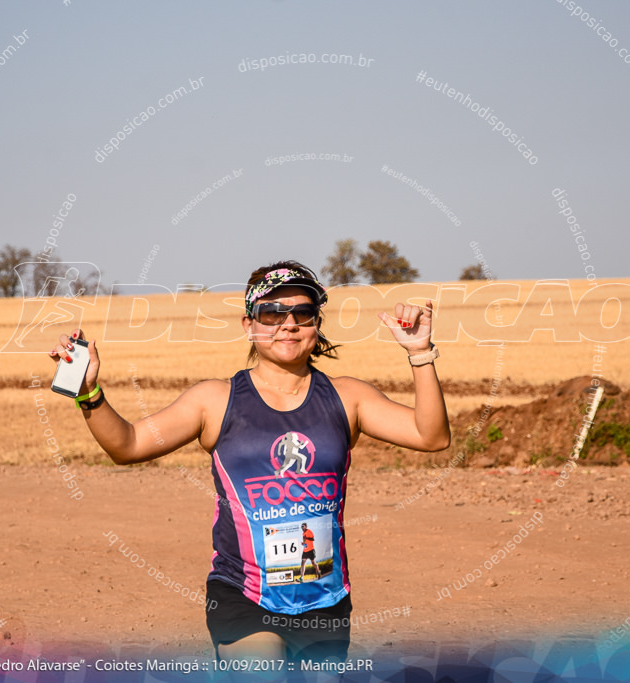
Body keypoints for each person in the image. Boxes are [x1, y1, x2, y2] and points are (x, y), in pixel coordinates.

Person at [47, 260, 449, 665]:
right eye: (272, 312)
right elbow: (128, 445)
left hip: (326, 599)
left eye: (302, 313)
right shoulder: (215, 400)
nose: (288, 324)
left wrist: (419, 353)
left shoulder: (349, 398)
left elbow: (431, 437)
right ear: (248, 324)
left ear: (316, 324)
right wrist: (89, 392)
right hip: (242, 595)